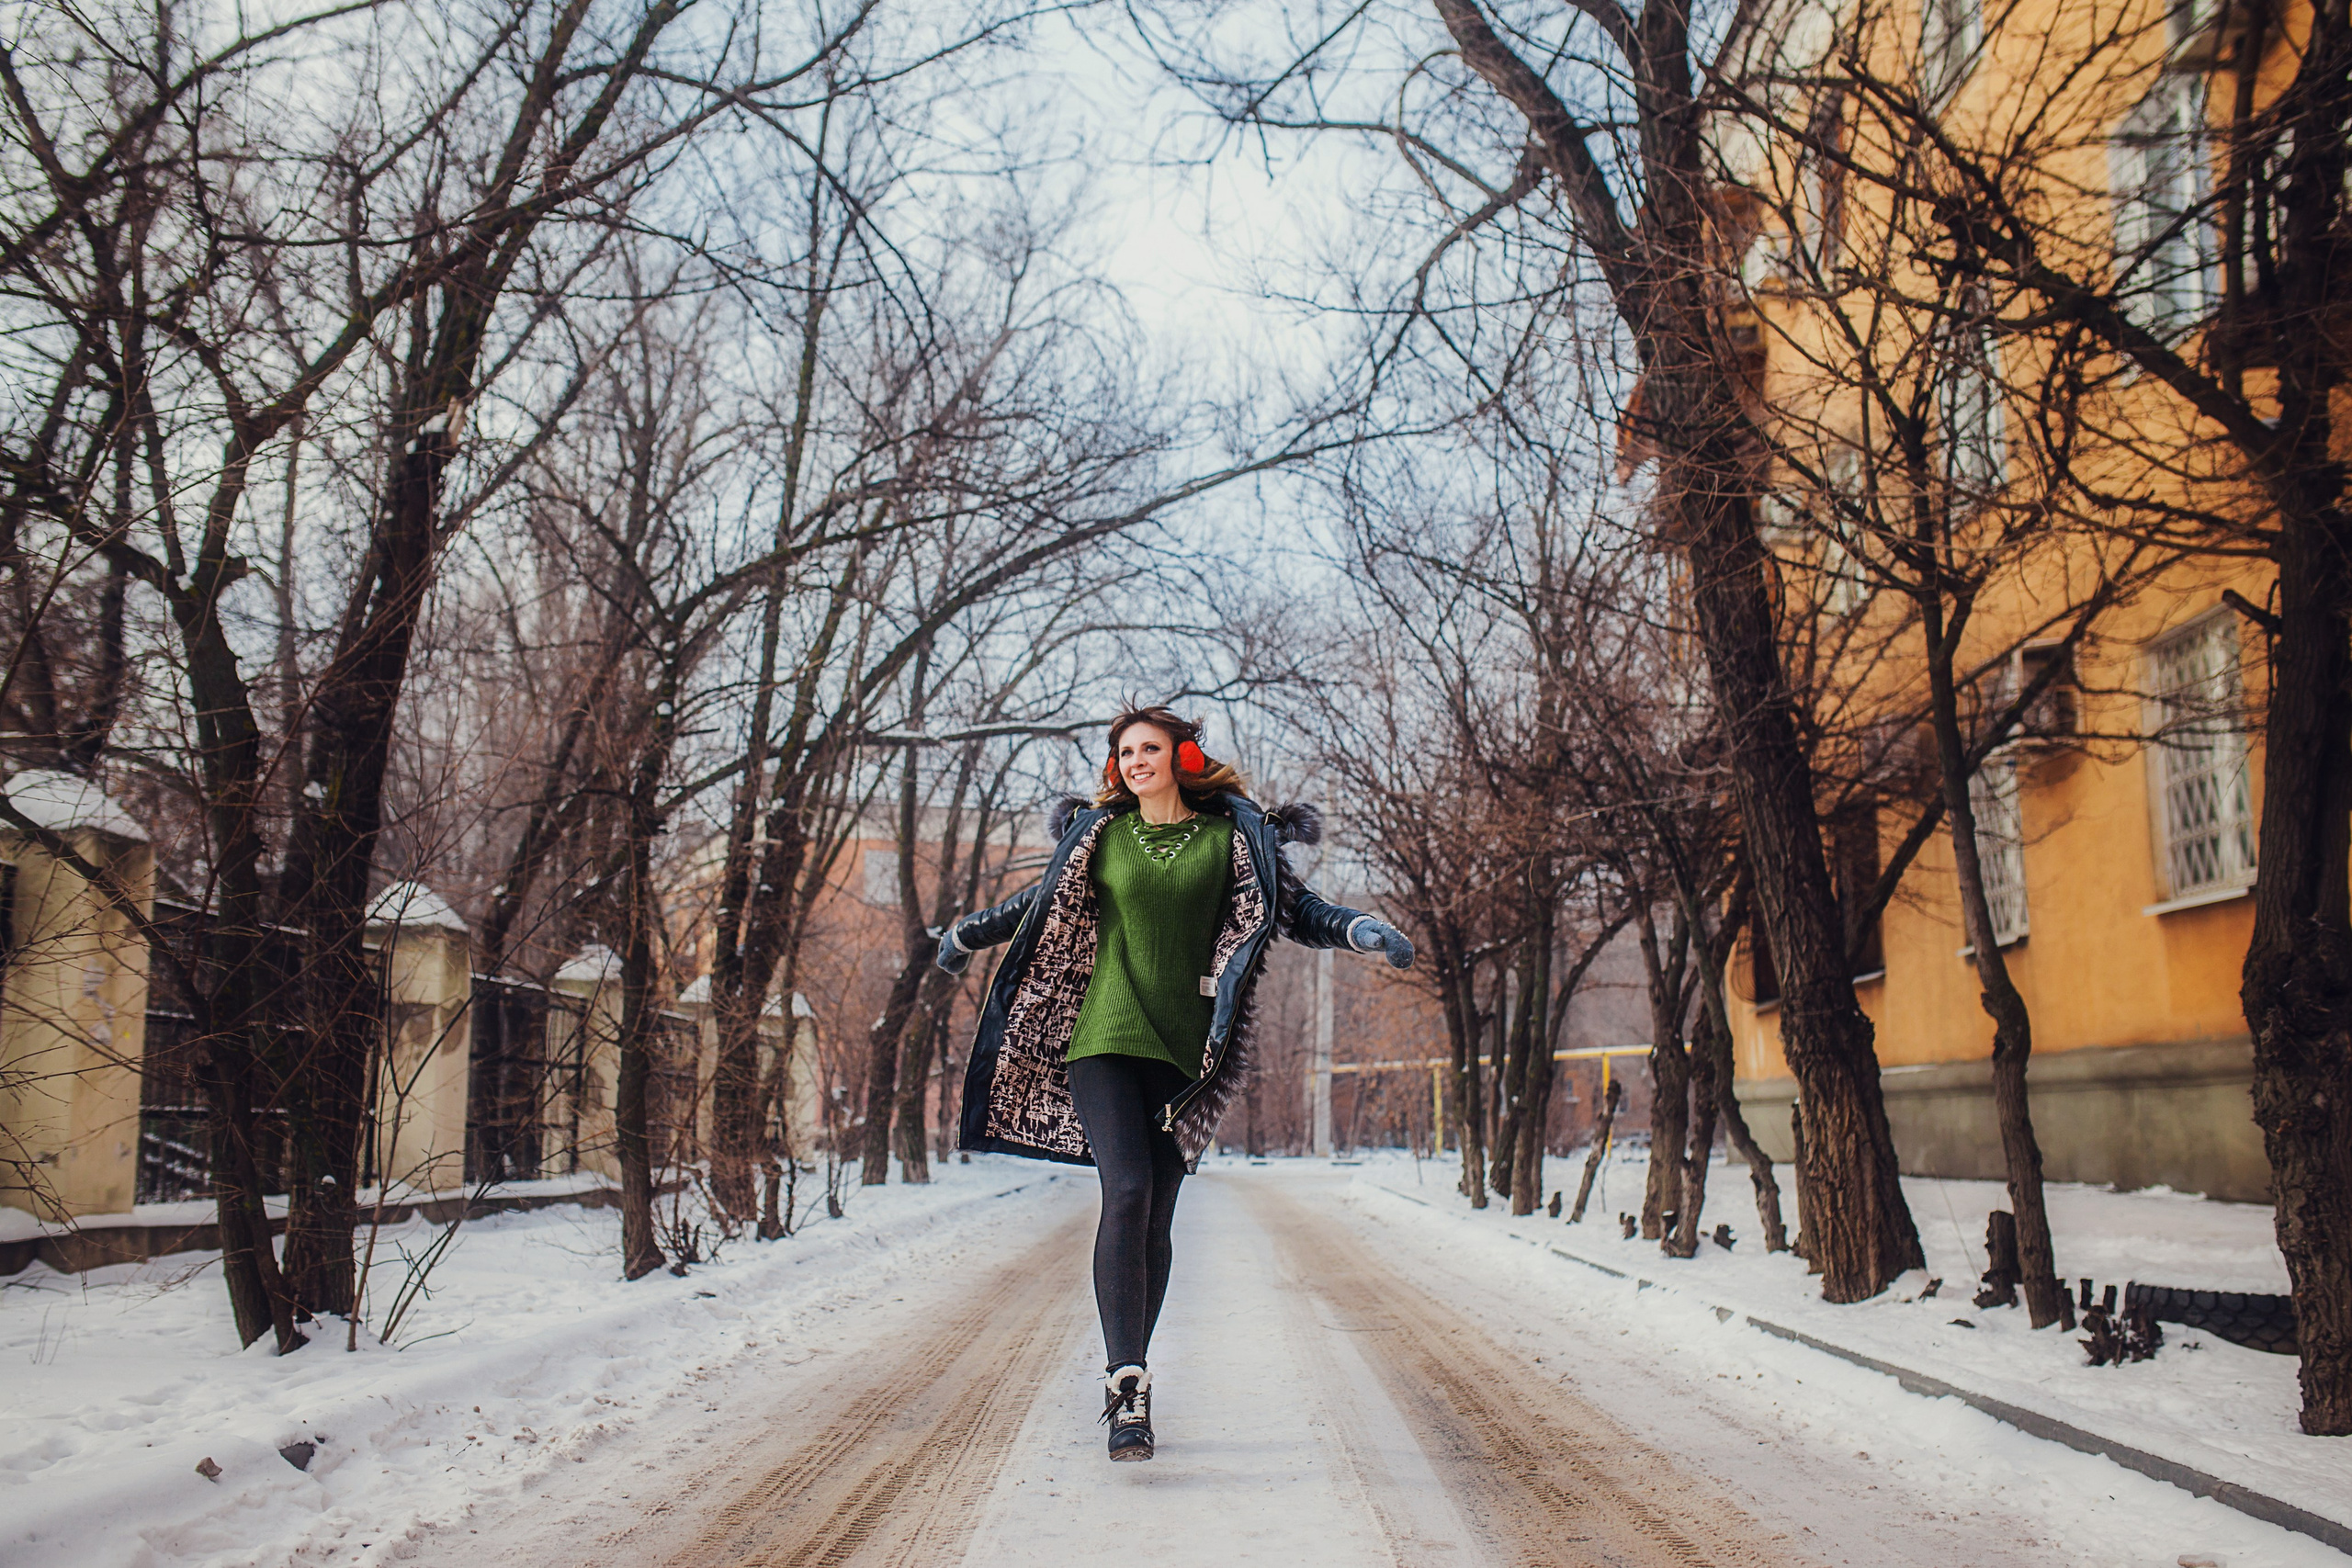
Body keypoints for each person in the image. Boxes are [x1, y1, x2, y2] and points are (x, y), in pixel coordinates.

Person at [935, 705, 1415, 1461]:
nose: (1135, 761)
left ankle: (1134, 1367)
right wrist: (968, 933)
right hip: (1102, 1038)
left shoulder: (1233, 841)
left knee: (1155, 1214)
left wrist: (1359, 930)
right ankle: (1125, 1384)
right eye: (1124, 751)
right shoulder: (1100, 835)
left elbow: (1296, 911)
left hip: (1187, 1055)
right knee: (1126, 1189)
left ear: (1182, 757)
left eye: (1149, 748)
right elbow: (1037, 904)